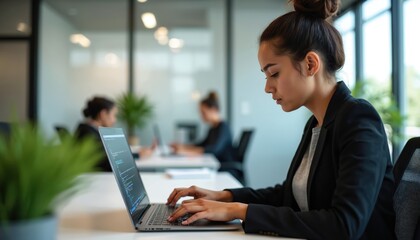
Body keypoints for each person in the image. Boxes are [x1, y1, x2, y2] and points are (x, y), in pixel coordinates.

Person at [165, 0, 396, 239]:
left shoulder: (357, 118)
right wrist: (224, 197)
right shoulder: (316, 123)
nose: (267, 87)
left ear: (310, 64)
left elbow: (344, 225)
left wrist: (238, 210)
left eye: (274, 73)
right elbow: (288, 194)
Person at [75, 96, 155, 171]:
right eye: (114, 115)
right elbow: (108, 162)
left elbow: (110, 156)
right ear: (103, 114)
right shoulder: (88, 134)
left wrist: (137, 153)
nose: (115, 120)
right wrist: (138, 155)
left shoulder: (90, 130)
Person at [171, 92, 235, 166]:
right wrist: (183, 146)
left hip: (223, 167)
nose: (201, 116)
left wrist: (185, 151)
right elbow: (202, 144)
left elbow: (213, 150)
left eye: (203, 113)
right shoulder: (213, 128)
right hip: (213, 165)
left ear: (213, 110)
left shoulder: (223, 128)